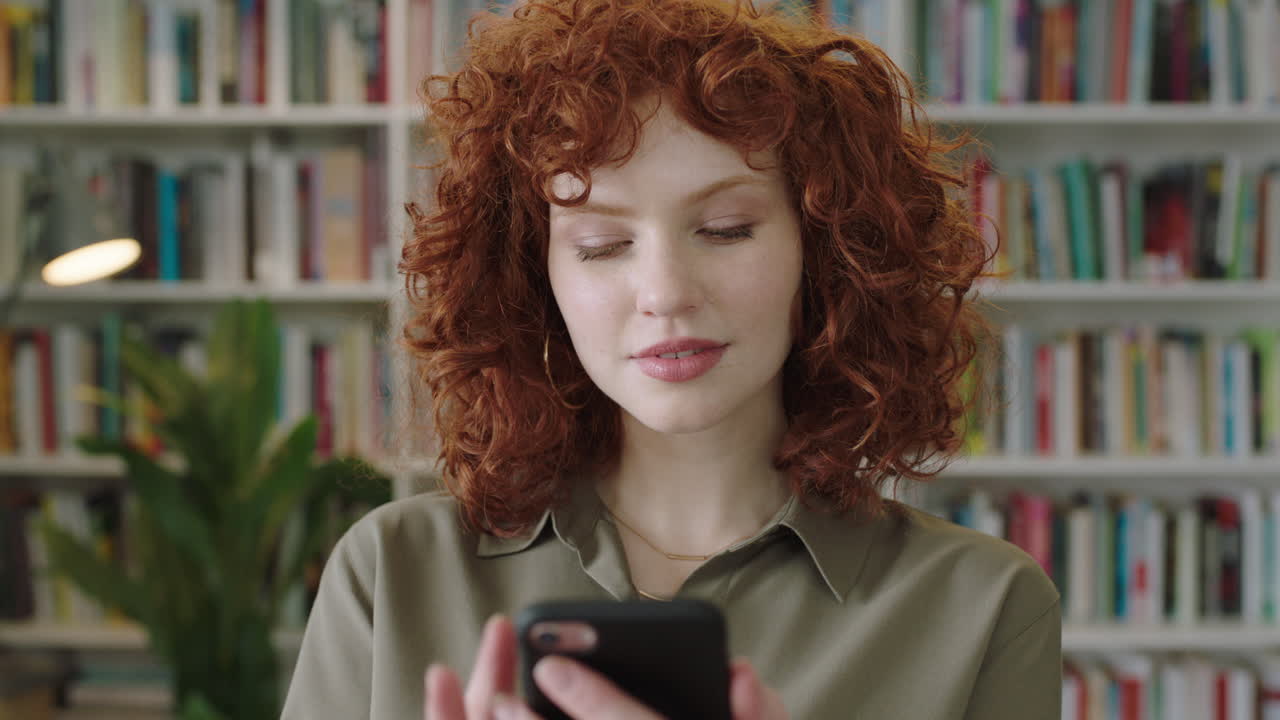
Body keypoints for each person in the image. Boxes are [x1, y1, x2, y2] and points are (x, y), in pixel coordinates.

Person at [280, 0, 1062, 717]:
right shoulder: (393, 572)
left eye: (725, 229)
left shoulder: (982, 605)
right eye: (602, 245)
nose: (664, 293)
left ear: (826, 254)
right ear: (534, 278)